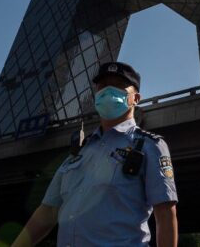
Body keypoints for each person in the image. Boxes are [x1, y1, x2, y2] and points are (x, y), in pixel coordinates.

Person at [12, 62, 178, 247]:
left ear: (136, 98)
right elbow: (48, 211)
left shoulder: (149, 146)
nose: (108, 90)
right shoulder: (78, 151)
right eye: (102, 85)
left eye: (118, 85)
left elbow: (165, 214)